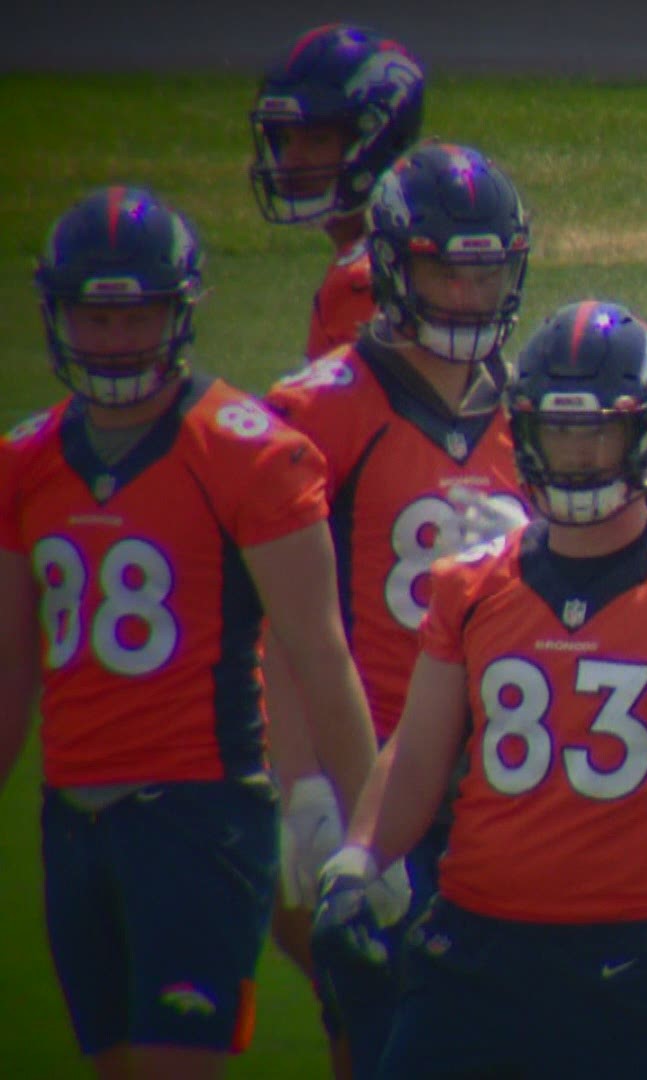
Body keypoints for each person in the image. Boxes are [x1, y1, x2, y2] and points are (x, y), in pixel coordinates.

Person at [311, 299, 647, 1078]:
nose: (579, 455)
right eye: (559, 431)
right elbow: (419, 753)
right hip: (469, 949)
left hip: (620, 961)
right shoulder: (473, 580)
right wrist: (360, 858)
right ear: (524, 434)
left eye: (600, 430)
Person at [0, 185, 379, 1077]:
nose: (116, 339)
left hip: (199, 815)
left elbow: (320, 655)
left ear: (180, 312)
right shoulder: (24, 461)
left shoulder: (250, 454)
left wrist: (370, 840)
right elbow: (10, 674)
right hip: (74, 818)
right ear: (58, 317)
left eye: (140, 315)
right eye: (94, 317)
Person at [262, 140, 530, 1076]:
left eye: (485, 270)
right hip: (371, 772)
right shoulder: (315, 411)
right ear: (388, 267)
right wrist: (304, 787)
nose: (465, 295)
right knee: (378, 1038)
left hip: (505, 782)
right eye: (440, 271)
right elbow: (283, 628)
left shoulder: (541, 408)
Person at [250, 22, 425, 360]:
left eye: (317, 139)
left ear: (378, 141)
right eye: (285, 139)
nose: (290, 161)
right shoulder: (393, 245)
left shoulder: (366, 278)